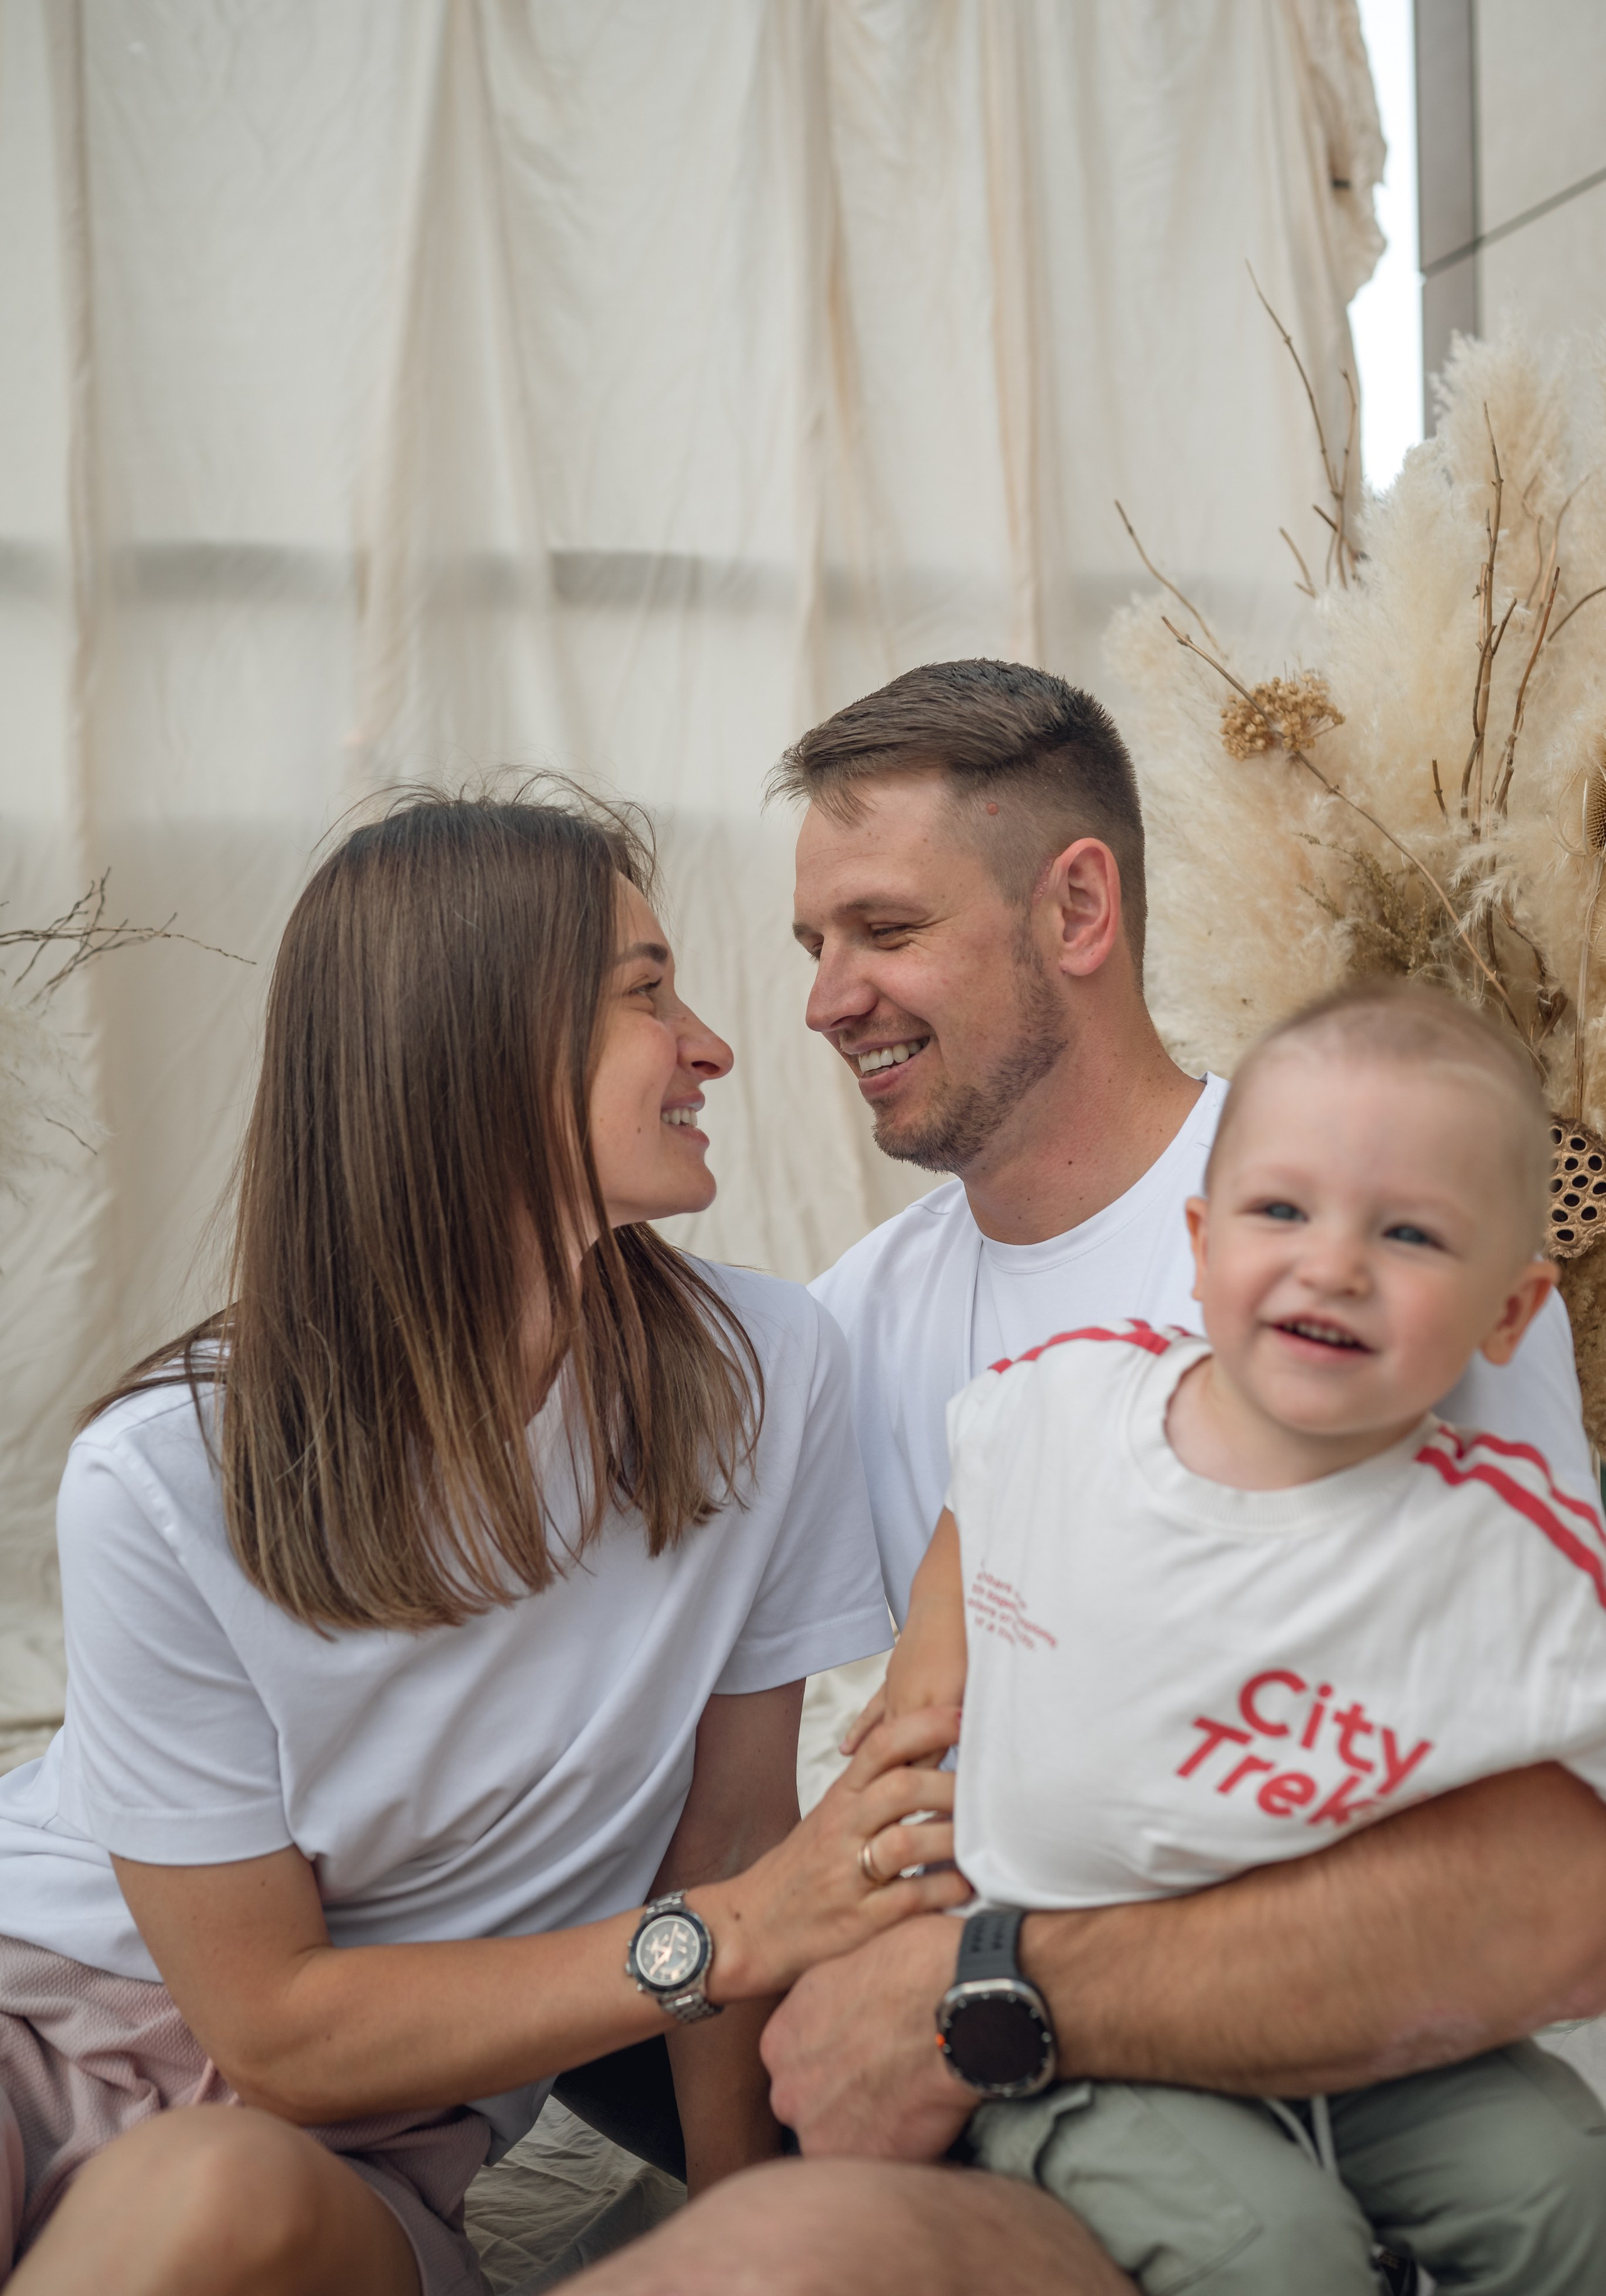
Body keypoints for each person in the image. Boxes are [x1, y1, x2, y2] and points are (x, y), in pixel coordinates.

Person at [560, 661, 1606, 2296]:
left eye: (884, 930)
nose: (827, 999)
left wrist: (979, 1984)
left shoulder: (1374, 1246)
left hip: (1297, 2042)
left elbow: (1551, 1880)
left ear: (1078, 907)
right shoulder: (853, 1332)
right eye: (812, 947)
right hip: (1055, 2103)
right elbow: (823, 1771)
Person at [0, 786, 967, 2296]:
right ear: (479, 1056)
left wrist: (744, 2238)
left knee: (208, 2203)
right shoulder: (167, 1470)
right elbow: (277, 2014)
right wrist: (714, 1934)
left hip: (369, 2138)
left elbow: (725, 1845)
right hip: (44, 1999)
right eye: (648, 996)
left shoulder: (766, 1379)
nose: (712, 1043)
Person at [879, 978, 1606, 2292]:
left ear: (1508, 1313)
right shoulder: (1064, 1407)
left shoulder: (1507, 1545)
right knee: (1270, 2252)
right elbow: (974, 1509)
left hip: (1349, 2021)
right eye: (1281, 1210)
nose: (1331, 1263)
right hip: (1066, 2023)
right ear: (1202, 1240)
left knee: (1564, 2184)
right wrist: (925, 1699)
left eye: (1409, 1234)